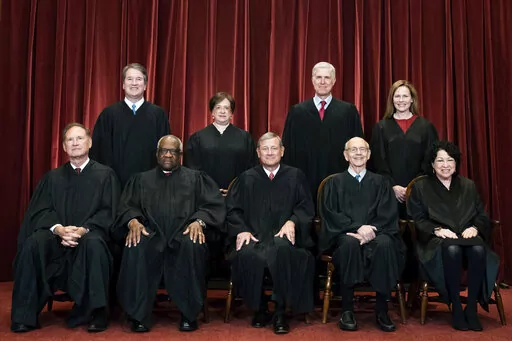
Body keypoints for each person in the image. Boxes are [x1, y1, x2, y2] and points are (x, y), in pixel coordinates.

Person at [11, 123, 120, 333]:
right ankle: (24, 314)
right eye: (70, 140)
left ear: (89, 142)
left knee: (95, 244)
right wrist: (59, 229)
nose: (75, 143)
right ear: (63, 147)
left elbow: (109, 213)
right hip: (57, 239)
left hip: (89, 237)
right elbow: (40, 211)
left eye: (80, 138)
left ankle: (97, 312)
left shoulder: (106, 176)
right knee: (33, 244)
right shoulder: (52, 178)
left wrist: (82, 230)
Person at [112, 135, 226, 333]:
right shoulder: (140, 180)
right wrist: (133, 221)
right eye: (163, 150)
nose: (167, 154)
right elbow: (126, 206)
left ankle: (188, 314)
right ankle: (139, 315)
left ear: (180, 155)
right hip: (150, 235)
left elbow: (213, 205)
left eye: (172, 151)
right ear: (157, 154)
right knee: (136, 245)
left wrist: (199, 221)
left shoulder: (196, 178)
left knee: (193, 244)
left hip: (183, 234)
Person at [226, 132, 315, 335]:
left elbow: (305, 207)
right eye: (265, 149)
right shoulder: (247, 178)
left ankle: (281, 311)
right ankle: (260, 307)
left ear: (282, 151)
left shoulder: (295, 176)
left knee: (283, 251)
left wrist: (292, 222)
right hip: (255, 236)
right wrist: (242, 230)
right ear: (258, 152)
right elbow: (232, 210)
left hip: (285, 238)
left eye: (274, 148)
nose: (269, 152)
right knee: (248, 254)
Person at [407, 141, 499, 331]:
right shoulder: (422, 187)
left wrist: (475, 227)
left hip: (467, 236)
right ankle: (456, 307)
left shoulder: (468, 185)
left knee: (478, 249)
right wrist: (437, 230)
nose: (445, 164)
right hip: (435, 240)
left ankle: (471, 307)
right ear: (432, 164)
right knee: (453, 249)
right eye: (440, 160)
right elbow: (417, 219)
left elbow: (481, 215)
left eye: (450, 160)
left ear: (456, 163)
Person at [319, 137, 404, 333]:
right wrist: (358, 228)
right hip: (345, 234)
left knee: (385, 245)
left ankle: (382, 310)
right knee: (349, 244)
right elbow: (330, 214)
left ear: (368, 154)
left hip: (377, 233)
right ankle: (347, 310)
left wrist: (371, 229)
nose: (358, 153)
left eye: (362, 150)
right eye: (353, 150)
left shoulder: (381, 182)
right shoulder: (334, 183)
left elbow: (388, 213)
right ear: (345, 155)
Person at [282, 61, 363, 198]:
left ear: (334, 81)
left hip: (340, 182)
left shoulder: (348, 111)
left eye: (327, 78)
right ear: (312, 80)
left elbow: (358, 148)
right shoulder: (297, 112)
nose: (323, 82)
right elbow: (288, 150)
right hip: (304, 181)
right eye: (319, 77)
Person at [90, 63, 171, 187]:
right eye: (129, 79)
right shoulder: (108, 114)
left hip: (150, 186)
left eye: (139, 79)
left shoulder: (158, 115)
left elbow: (166, 151)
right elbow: (98, 151)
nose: (134, 83)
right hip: (114, 186)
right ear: (123, 84)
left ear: (145, 85)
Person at [370, 80, 438, 218]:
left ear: (412, 99)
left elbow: (431, 160)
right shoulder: (381, 127)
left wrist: (413, 187)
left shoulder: (426, 127)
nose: (401, 100)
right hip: (388, 193)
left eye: (405, 96)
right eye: (397, 96)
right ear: (392, 99)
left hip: (419, 192)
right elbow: (378, 161)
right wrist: (393, 186)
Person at [184, 92, 257, 194]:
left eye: (227, 108)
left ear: (231, 113)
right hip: (206, 196)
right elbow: (192, 169)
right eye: (218, 107)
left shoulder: (245, 138)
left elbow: (251, 168)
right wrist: (210, 190)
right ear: (212, 112)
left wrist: (235, 189)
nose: (222, 111)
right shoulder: (197, 138)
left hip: (238, 195)